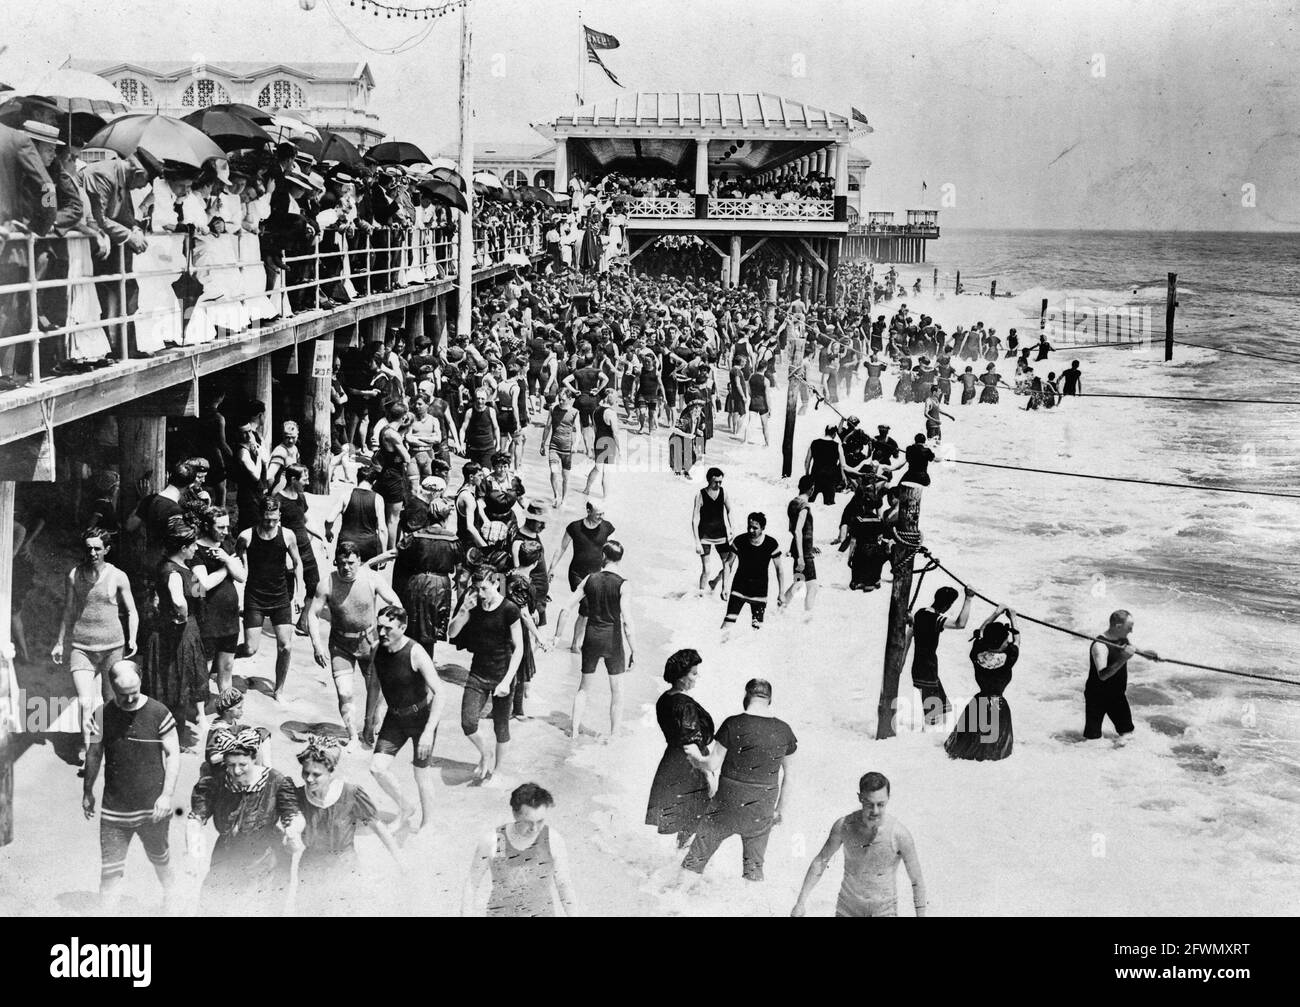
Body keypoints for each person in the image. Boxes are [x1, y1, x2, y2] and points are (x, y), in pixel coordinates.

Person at [81, 660, 179, 914]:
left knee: (161, 860)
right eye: (123, 695)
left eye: (134, 692)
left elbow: (173, 754)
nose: (129, 699)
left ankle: (173, 902)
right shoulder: (101, 715)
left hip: (152, 809)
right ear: (112, 687)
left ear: (140, 682)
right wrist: (87, 791)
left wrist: (167, 795)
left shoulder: (159, 713)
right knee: (110, 873)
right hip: (115, 811)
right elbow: (93, 754)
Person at [680, 679, 796, 883]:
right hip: (761, 809)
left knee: (695, 860)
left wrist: (695, 756)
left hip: (727, 804)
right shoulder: (784, 730)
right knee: (753, 869)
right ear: (769, 700)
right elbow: (790, 776)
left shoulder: (733, 723)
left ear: (746, 696)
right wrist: (779, 811)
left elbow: (711, 764)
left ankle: (675, 904)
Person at [186, 728, 302, 914]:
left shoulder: (275, 781)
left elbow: (292, 814)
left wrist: (292, 832)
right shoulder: (217, 782)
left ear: (254, 758)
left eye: (242, 764)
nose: (236, 771)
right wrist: (194, 851)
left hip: (265, 860)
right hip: (226, 854)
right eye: (230, 765)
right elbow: (196, 818)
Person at [52, 527, 139, 762]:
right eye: (88, 548)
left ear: (106, 550)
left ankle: (113, 746)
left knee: (112, 701)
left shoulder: (118, 576)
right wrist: (60, 642)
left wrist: (132, 638)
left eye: (97, 548)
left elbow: (132, 611)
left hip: (112, 648)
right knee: (85, 701)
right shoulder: (74, 575)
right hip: (82, 647)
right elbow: (69, 610)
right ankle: (90, 751)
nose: (92, 552)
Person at [293, 734, 404, 914]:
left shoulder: (350, 794)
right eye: (305, 772)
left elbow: (378, 827)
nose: (309, 779)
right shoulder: (298, 796)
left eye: (316, 774)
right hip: (311, 867)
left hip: (344, 866)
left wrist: (400, 861)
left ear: (331, 772)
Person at [791, 771, 927, 917]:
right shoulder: (844, 826)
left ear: (888, 798)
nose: (875, 811)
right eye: (869, 804)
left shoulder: (899, 835)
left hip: (883, 911)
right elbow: (821, 861)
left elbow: (917, 881)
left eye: (880, 804)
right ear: (860, 798)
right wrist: (800, 903)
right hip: (848, 909)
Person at [307, 541, 400, 745]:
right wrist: (316, 644)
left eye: (350, 562)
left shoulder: (372, 578)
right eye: (342, 563)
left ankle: (370, 724)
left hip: (371, 643)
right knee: (344, 693)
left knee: (377, 692)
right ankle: (351, 735)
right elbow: (313, 614)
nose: (346, 568)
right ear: (336, 562)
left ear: (359, 561)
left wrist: (393, 634)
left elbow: (396, 604)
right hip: (341, 646)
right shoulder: (327, 583)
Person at [364, 605, 445, 832]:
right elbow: (374, 685)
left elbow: (440, 692)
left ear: (403, 627)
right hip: (395, 719)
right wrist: (369, 719)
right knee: (377, 768)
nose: (381, 633)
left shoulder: (416, 653)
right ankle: (406, 807)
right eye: (379, 627)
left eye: (388, 628)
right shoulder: (376, 649)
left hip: (421, 719)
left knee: (421, 775)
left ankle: (428, 823)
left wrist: (429, 731)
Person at [554, 541, 637, 740]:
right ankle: (614, 734)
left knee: (583, 688)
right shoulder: (624, 584)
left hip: (591, 636)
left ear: (603, 556)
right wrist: (635, 650)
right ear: (620, 559)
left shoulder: (590, 579)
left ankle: (573, 730)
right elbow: (627, 621)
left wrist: (557, 637)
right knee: (617, 691)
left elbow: (566, 608)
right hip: (613, 640)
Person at [448, 566, 523, 785]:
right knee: (468, 722)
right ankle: (485, 753)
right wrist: (463, 611)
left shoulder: (509, 609)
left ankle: (498, 771)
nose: (480, 594)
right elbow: (452, 633)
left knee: (501, 726)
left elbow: (519, 648)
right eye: (476, 588)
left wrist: (508, 680)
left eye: (484, 588)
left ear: (496, 584)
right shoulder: (471, 604)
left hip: (503, 673)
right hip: (478, 672)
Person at [461, 782, 581, 916]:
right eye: (528, 822)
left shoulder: (553, 839)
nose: (534, 829)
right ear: (515, 814)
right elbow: (472, 883)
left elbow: (564, 885)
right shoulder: (495, 840)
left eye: (540, 821)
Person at [141, 518, 208, 747]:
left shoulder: (178, 567)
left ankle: (168, 735)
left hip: (180, 630)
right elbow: (179, 600)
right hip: (179, 632)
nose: (196, 548)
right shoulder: (173, 572)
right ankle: (172, 740)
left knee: (172, 683)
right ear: (182, 548)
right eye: (193, 545)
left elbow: (199, 591)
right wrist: (183, 614)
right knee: (177, 683)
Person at [235, 496, 304, 699]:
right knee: (249, 649)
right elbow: (239, 565)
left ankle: (279, 689)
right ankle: (223, 660)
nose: (271, 523)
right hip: (254, 597)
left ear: (279, 516)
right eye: (267, 519)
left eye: (274, 519)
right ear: (260, 517)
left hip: (280, 597)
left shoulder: (288, 535)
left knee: (286, 646)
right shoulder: (246, 536)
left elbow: (298, 563)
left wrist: (299, 594)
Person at [645, 649, 715, 850]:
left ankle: (675, 869)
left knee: (680, 824)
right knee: (694, 825)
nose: (696, 677)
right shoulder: (685, 705)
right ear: (681, 677)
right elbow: (691, 744)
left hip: (671, 764)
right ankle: (682, 874)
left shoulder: (664, 699)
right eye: (693, 673)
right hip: (691, 769)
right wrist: (709, 775)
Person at [946, 608, 1020, 761]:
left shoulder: (977, 653)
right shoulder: (1008, 657)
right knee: (993, 752)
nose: (1008, 642)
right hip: (997, 704)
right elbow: (1018, 639)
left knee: (969, 746)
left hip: (978, 702)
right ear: (1002, 644)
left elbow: (981, 632)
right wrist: (1013, 618)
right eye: (1006, 641)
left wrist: (995, 613)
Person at [190, 507, 244, 695]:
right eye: (220, 527)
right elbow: (202, 585)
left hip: (229, 617)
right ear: (206, 526)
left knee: (227, 666)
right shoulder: (195, 550)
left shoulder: (226, 545)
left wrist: (227, 559)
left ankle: (225, 707)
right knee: (204, 667)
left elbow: (242, 576)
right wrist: (226, 567)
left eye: (227, 527)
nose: (225, 532)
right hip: (208, 618)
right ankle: (200, 710)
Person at [548, 501, 615, 651]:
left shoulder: (607, 527)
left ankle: (576, 644)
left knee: (588, 610)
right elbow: (562, 547)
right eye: (598, 514)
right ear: (588, 510)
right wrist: (552, 568)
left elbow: (610, 551)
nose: (601, 517)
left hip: (596, 574)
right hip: (577, 573)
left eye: (603, 514)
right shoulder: (575, 527)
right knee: (585, 605)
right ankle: (568, 643)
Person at [905, 586, 974, 728]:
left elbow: (908, 637)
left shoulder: (920, 613)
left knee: (940, 709)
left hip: (922, 667)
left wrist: (901, 662)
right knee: (933, 716)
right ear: (947, 605)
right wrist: (968, 599)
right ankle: (927, 740)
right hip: (928, 669)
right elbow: (960, 624)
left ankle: (931, 734)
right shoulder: (935, 619)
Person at [1085, 609, 1160, 741]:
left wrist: (1149, 655)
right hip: (1097, 697)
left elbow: (1134, 650)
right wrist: (1123, 658)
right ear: (1118, 626)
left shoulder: (1122, 639)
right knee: (1093, 739)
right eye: (1129, 628)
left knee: (1128, 734)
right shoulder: (1100, 646)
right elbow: (1103, 675)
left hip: (1116, 695)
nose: (1131, 631)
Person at [721, 512, 785, 632]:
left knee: (757, 630)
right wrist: (725, 587)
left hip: (759, 592)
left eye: (755, 528)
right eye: (749, 527)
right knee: (726, 627)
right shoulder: (740, 540)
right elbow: (728, 564)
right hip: (739, 589)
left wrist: (781, 593)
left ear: (763, 528)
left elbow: (779, 569)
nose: (751, 530)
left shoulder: (771, 543)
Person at [692, 467, 734, 593]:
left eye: (721, 482)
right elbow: (694, 519)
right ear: (709, 480)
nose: (718, 485)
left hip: (721, 534)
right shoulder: (700, 494)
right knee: (707, 570)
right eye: (716, 482)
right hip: (705, 535)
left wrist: (732, 528)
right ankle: (700, 595)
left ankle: (715, 582)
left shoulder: (724, 493)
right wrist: (697, 542)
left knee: (729, 565)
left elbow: (730, 511)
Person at [333, 466, 387, 561]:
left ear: (358, 479)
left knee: (345, 574)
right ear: (374, 482)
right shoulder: (378, 499)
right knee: (367, 574)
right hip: (368, 545)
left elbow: (329, 519)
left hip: (346, 544)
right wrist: (383, 553)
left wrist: (328, 531)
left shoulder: (346, 495)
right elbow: (382, 529)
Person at [782, 475, 819, 614]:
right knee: (813, 586)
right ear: (812, 489)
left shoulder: (793, 503)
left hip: (799, 547)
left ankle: (781, 606)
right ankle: (807, 617)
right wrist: (801, 556)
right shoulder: (804, 506)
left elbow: (794, 530)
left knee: (798, 582)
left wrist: (810, 545)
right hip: (803, 551)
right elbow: (798, 531)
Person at [539, 387, 580, 507]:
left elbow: (578, 432)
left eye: (563, 400)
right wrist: (542, 443)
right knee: (553, 471)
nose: (560, 402)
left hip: (567, 448)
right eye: (559, 399)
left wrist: (576, 444)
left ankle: (564, 498)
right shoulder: (553, 409)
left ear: (569, 399)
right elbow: (547, 427)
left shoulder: (575, 412)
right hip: (554, 446)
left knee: (565, 477)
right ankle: (556, 495)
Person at [583, 386, 620, 498]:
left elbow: (594, 428)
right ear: (609, 397)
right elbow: (615, 433)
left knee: (597, 468)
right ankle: (605, 496)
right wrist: (619, 449)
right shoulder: (610, 413)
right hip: (609, 442)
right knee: (606, 471)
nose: (616, 400)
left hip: (598, 440)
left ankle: (586, 489)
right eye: (615, 397)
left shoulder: (596, 410)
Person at [804, 425, 846, 505]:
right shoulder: (837, 445)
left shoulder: (814, 443)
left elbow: (807, 461)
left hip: (815, 476)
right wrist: (843, 476)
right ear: (834, 434)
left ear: (825, 431)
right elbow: (842, 464)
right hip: (830, 478)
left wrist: (807, 474)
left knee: (810, 501)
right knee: (829, 503)